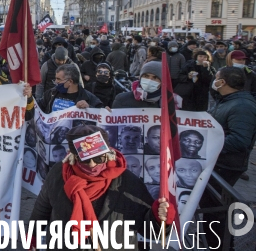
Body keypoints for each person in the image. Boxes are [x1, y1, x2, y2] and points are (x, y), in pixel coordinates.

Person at [29, 125, 173, 248]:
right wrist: (33, 237)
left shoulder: (128, 181)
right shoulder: (58, 173)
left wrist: (160, 218)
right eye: (85, 159)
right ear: (72, 156)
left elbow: (151, 232)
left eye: (98, 158)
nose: (92, 164)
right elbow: (42, 208)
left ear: (107, 153)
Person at [201, 67, 256, 248]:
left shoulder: (242, 106)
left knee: (217, 210)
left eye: (216, 78)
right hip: (219, 163)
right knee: (212, 208)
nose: (214, 81)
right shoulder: (227, 100)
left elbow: (240, 140)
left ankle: (221, 245)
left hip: (227, 166)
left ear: (223, 82)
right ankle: (211, 241)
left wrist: (208, 142)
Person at [34, 64, 104, 114]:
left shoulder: (88, 97)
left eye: (58, 79)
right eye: (55, 78)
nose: (56, 82)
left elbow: (102, 114)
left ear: (70, 81)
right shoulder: (51, 93)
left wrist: (89, 108)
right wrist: (29, 98)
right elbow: (37, 108)